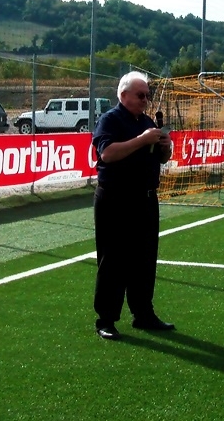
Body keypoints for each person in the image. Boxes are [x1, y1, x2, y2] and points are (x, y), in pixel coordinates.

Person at [91, 71, 174, 341]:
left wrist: (165, 146)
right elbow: (107, 153)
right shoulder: (110, 120)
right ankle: (106, 319)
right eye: (140, 95)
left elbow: (162, 158)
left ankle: (143, 313)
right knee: (113, 260)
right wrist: (143, 140)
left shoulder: (148, 122)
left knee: (144, 259)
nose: (145, 100)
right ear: (124, 94)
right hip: (116, 199)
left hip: (145, 198)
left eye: (147, 95)